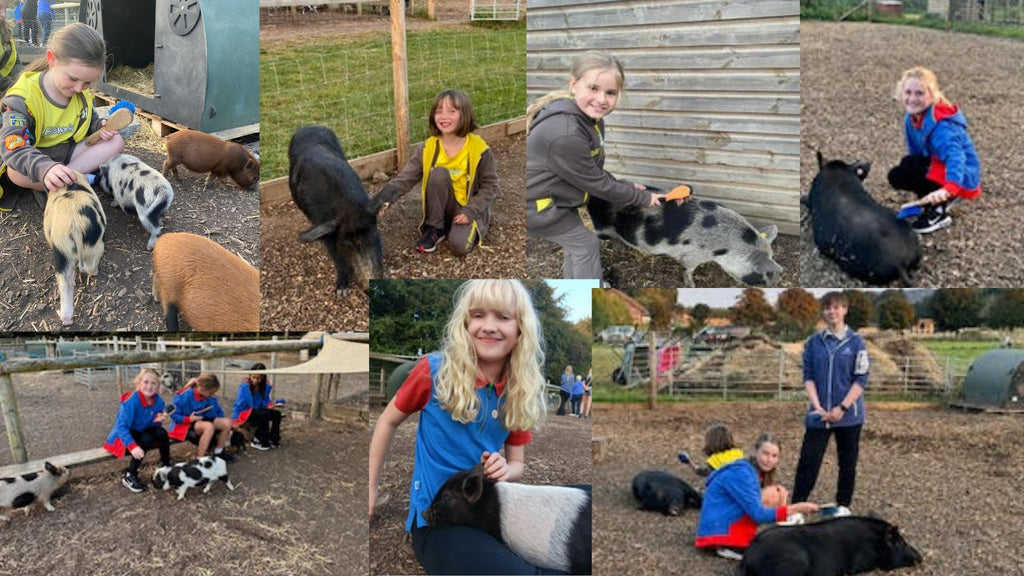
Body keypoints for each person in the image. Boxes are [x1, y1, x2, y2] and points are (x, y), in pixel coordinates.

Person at [369, 279, 555, 575]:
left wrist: (505, 469)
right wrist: (371, 489)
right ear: (465, 323)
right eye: (478, 315)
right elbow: (387, 420)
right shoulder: (433, 370)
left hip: (489, 511)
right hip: (437, 517)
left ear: (521, 329)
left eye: (503, 317)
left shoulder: (521, 390)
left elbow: (517, 464)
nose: (489, 326)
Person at [526, 50, 670, 280]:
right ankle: (590, 293)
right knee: (585, 245)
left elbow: (589, 170)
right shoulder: (566, 134)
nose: (602, 99)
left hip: (557, 199)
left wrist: (623, 184)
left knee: (579, 245)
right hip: (537, 207)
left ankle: (576, 284)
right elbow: (596, 184)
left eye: (610, 92)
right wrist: (643, 198)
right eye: (593, 88)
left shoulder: (589, 119)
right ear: (574, 85)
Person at [0, 22, 124, 208]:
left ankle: (63, 180)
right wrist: (45, 168)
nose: (78, 88)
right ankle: (69, 179)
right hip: (35, 160)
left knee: (116, 141)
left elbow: (89, 121)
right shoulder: (23, 98)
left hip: (70, 155)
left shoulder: (82, 93)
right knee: (14, 172)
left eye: (87, 83)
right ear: (52, 59)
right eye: (73, 79)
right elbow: (13, 146)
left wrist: (100, 128)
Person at [375, 89, 497, 255]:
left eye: (452, 111)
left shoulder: (480, 150)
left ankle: (478, 220)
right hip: (439, 207)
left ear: (465, 115)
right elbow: (405, 178)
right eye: (439, 111)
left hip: (465, 208)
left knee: (459, 247)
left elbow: (490, 186)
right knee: (439, 173)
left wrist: (471, 210)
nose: (444, 117)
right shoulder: (428, 147)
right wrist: (381, 200)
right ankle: (435, 228)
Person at [792, 291, 869, 518]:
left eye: (836, 307)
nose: (832, 311)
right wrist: (817, 407)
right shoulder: (814, 342)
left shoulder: (856, 342)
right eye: (827, 307)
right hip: (819, 415)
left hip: (849, 415)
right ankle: (796, 507)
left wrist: (841, 408)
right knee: (808, 461)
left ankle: (843, 506)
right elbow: (808, 376)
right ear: (823, 312)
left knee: (847, 463)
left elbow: (861, 378)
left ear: (845, 310)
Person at [695, 423, 818, 560]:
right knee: (776, 555)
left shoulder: (752, 472)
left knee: (777, 492)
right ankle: (728, 545)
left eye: (774, 456)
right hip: (718, 534)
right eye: (765, 453)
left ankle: (741, 538)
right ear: (755, 451)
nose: (769, 460)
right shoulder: (742, 473)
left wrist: (783, 510)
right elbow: (758, 514)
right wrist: (795, 508)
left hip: (718, 528)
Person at [888, 66, 981, 234]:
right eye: (908, 92)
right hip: (939, 166)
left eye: (919, 93)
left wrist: (949, 188)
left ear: (932, 95)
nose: (912, 98)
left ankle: (940, 210)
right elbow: (916, 155)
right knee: (904, 169)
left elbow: (956, 157)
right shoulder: (911, 119)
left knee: (914, 168)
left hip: (962, 175)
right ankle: (931, 198)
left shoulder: (942, 126)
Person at [103, 368, 172, 493]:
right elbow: (121, 427)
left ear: (158, 386)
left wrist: (158, 420)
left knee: (162, 433)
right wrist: (133, 446)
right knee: (146, 440)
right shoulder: (131, 401)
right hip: (124, 434)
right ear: (139, 383)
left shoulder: (159, 402)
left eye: (153, 383)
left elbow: (152, 424)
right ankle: (130, 475)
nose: (149, 386)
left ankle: (165, 466)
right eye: (146, 382)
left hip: (142, 429)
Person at [168, 373, 234, 461]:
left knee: (227, 422)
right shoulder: (184, 396)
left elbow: (218, 412)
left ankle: (219, 452)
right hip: (187, 423)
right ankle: (200, 459)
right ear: (203, 389)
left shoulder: (209, 396)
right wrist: (188, 419)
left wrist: (222, 424)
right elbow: (173, 414)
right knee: (209, 427)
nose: (213, 394)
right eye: (211, 392)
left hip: (202, 419)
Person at [232, 362, 282, 451]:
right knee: (264, 414)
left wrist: (270, 405)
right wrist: (235, 419)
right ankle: (259, 440)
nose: (255, 380)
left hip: (259, 409)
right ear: (250, 376)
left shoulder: (265, 386)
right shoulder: (244, 387)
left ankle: (273, 438)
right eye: (253, 377)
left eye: (258, 378)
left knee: (277, 414)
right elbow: (238, 404)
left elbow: (265, 399)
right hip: (246, 412)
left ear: (263, 378)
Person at [0, 0, 23, 94]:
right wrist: (12, 87)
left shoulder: (4, 30)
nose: (3, 14)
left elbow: (14, 59)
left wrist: (24, 78)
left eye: (5, 8)